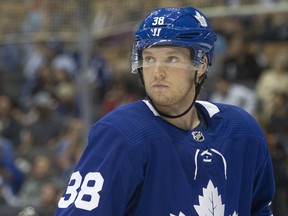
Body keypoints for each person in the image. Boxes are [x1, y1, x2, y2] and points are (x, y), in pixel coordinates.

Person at [55, 7, 275, 215]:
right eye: (149, 58)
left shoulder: (242, 131)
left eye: (171, 59)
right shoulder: (121, 133)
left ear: (201, 64)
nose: (157, 72)